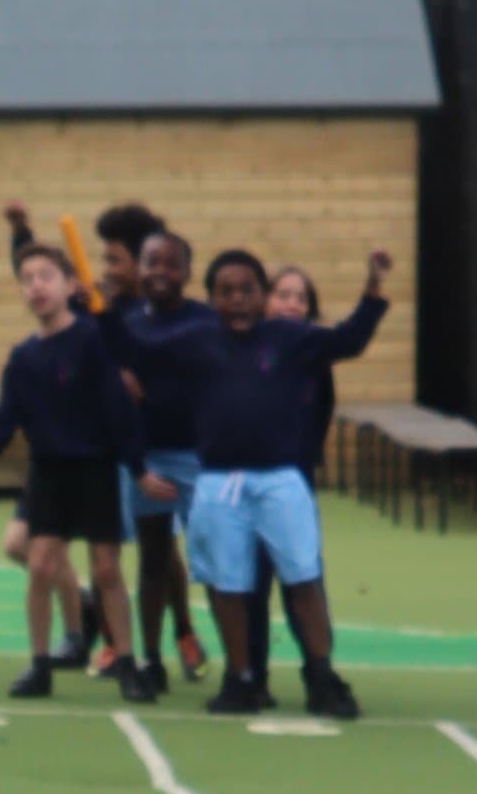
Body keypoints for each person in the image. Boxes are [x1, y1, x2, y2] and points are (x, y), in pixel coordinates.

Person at [167, 250, 387, 716]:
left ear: (262, 297)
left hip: (282, 479)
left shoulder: (288, 338)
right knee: (229, 583)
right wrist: (102, 312)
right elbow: (136, 351)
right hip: (219, 482)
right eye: (226, 292)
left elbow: (348, 340)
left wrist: (372, 292)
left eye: (247, 290)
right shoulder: (195, 341)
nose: (238, 301)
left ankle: (321, 676)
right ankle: (242, 677)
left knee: (303, 573)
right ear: (211, 300)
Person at [0, 238, 156, 702]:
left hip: (96, 468)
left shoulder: (93, 338)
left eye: (45, 277)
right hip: (49, 472)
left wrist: (137, 468)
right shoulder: (24, 357)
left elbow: (119, 406)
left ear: (68, 285)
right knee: (40, 564)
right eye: (27, 280)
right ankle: (41, 664)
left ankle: (127, 662)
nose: (36, 287)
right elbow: (6, 417)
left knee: (106, 570)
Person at [117, 227, 213, 689]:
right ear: (139, 268)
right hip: (147, 458)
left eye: (170, 263)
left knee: (214, 558)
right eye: (151, 261)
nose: (159, 271)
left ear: (187, 273)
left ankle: (240, 661)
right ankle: (152, 658)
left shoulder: (206, 321)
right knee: (152, 558)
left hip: (197, 457)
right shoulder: (126, 320)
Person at [239, 264, 330, 702]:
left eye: (301, 298)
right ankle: (252, 675)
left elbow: (321, 415)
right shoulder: (246, 350)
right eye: (283, 294)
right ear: (265, 300)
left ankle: (319, 672)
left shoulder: (315, 357)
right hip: (250, 483)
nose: (291, 304)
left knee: (304, 577)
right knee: (251, 582)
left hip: (294, 480)